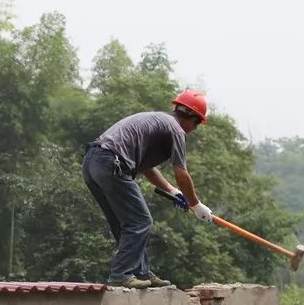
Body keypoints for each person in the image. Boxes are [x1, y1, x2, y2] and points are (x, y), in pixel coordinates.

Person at [81, 89, 216, 289]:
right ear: (191, 118)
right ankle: (121, 274)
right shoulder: (176, 130)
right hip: (111, 163)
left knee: (125, 224)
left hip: (92, 164)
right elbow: (181, 172)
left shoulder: (160, 122)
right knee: (141, 221)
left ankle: (140, 272)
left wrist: (173, 192)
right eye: (196, 124)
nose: (193, 129)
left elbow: (146, 169)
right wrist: (196, 205)